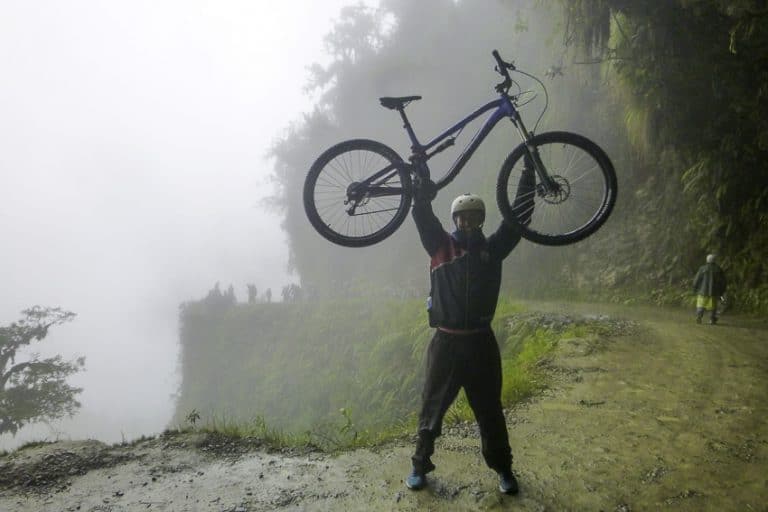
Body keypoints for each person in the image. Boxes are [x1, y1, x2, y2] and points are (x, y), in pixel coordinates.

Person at [404, 169, 534, 495]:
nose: (467, 222)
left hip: (481, 344)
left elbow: (518, 217)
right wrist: (421, 184)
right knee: (431, 409)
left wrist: (528, 173)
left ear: (481, 220)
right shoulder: (439, 245)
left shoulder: (494, 249)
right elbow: (421, 214)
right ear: (454, 220)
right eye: (462, 217)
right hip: (445, 344)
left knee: (490, 412)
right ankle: (419, 466)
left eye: (473, 217)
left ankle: (504, 470)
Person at [693, 254, 727, 324]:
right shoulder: (718, 269)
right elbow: (723, 281)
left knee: (700, 305)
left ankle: (699, 317)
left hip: (702, 291)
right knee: (712, 306)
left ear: (707, 260)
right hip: (714, 291)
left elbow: (697, 279)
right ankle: (712, 319)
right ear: (714, 260)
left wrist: (695, 288)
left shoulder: (702, 268)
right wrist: (722, 291)